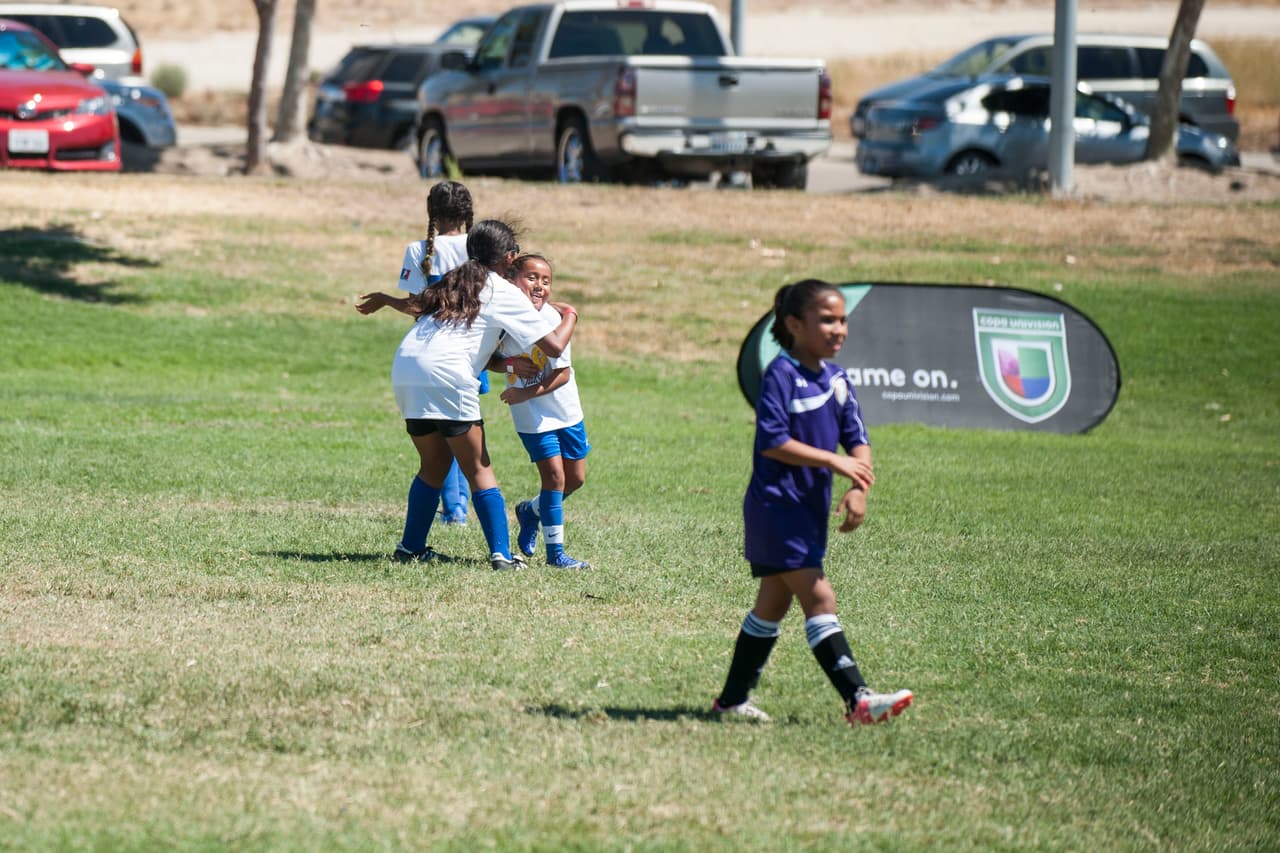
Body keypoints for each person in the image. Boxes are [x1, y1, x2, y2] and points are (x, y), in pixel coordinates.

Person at [712, 279, 913, 726]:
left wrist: (859, 487)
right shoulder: (781, 376)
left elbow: (857, 440)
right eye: (827, 320)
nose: (838, 329)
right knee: (820, 597)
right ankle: (858, 700)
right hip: (775, 507)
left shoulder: (838, 379)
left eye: (842, 320)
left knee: (771, 607)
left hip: (808, 511)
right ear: (794, 324)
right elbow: (772, 440)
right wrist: (834, 463)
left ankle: (730, 702)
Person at [382, 219, 579, 571]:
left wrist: (507, 366)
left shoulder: (456, 279)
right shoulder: (503, 291)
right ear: (511, 257)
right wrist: (571, 314)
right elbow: (554, 346)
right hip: (446, 374)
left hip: (407, 367)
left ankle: (410, 547)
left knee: (434, 465)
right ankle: (502, 556)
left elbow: (427, 314)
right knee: (478, 468)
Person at [357, 180, 478, 526]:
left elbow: (415, 307)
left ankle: (455, 509)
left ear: (432, 213)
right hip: (471, 350)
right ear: (468, 213)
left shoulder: (420, 249)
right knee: (462, 427)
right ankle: (461, 504)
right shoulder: (477, 248)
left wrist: (383, 299)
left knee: (443, 433)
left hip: (432, 352)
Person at [492, 253, 592, 570]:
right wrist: (509, 364)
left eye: (546, 281)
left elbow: (562, 373)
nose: (539, 285)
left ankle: (530, 511)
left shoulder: (554, 321)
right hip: (532, 417)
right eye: (532, 277)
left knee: (575, 479)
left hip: (566, 410)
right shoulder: (501, 322)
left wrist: (525, 390)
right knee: (555, 477)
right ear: (511, 280)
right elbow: (485, 358)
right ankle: (557, 555)